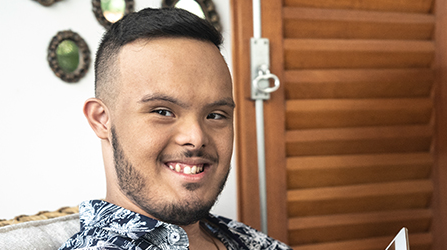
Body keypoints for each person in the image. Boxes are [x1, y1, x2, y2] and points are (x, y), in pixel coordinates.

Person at [59, 8, 291, 250]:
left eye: (215, 115)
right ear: (101, 120)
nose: (196, 137)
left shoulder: (244, 238)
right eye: (162, 112)